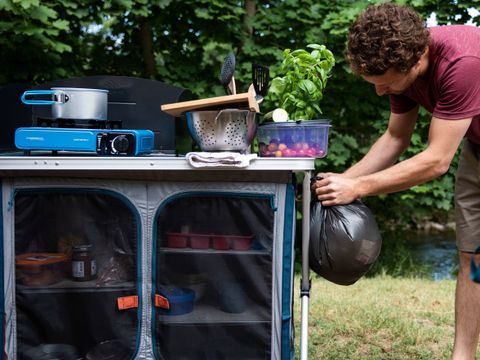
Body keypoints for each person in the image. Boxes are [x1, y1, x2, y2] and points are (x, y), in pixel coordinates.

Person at [311, 2, 480, 359]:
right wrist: (342, 180)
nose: (379, 91)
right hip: (478, 149)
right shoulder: (403, 68)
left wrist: (359, 188)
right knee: (473, 255)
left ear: (417, 61)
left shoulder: (463, 64)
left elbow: (436, 161)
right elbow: (395, 139)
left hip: (459, 147)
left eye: (385, 83)